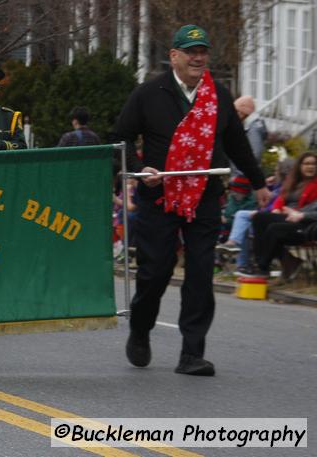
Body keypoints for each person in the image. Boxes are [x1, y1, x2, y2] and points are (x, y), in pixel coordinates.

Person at [111, 24, 270, 376]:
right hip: (159, 197)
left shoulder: (219, 96)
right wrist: (140, 170)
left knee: (200, 274)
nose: (198, 57)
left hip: (205, 197)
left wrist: (258, 182)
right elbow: (120, 140)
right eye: (191, 51)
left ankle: (192, 353)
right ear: (174, 56)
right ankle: (140, 329)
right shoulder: (149, 93)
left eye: (203, 51)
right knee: (155, 273)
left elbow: (237, 145)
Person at [251, 151, 317, 280]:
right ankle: (262, 263)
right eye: (307, 163)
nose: (311, 167)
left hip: (304, 221)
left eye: (314, 164)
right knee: (260, 217)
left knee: (274, 228)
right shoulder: (293, 182)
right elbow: (281, 198)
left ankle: (263, 267)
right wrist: (276, 209)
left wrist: (300, 214)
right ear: (300, 166)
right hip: (288, 215)